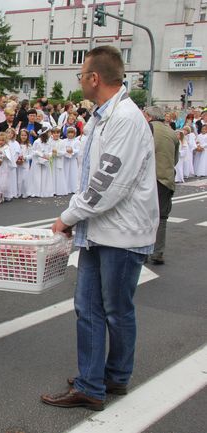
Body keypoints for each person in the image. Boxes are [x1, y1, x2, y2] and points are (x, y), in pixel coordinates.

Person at [42, 46, 159, 411]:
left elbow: (108, 181)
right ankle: (94, 381)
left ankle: (113, 378)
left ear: (94, 79)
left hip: (121, 234)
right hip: (100, 232)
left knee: (114, 310)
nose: (79, 81)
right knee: (88, 307)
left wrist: (69, 216)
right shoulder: (103, 116)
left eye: (81, 75)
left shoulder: (124, 118)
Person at [142, 106, 179, 266]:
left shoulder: (146, 129)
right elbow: (175, 159)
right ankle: (158, 253)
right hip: (166, 178)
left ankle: (143, 251)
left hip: (148, 178)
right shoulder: (171, 132)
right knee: (162, 217)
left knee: (144, 216)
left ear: (149, 117)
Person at [0, 131, 17, 204]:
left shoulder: (7, 147)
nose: (0, 142)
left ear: (5, 141)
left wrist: (2, 154)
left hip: (4, 167)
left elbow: (9, 157)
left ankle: (0, 196)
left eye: (2, 140)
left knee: (2, 181)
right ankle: (0, 195)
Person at [32, 127, 54, 198]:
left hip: (46, 161)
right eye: (49, 132)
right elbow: (33, 151)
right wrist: (41, 155)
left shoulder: (49, 142)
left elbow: (51, 151)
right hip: (37, 162)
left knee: (45, 176)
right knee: (37, 176)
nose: (50, 134)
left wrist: (48, 156)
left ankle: (45, 191)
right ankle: (37, 191)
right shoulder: (37, 142)